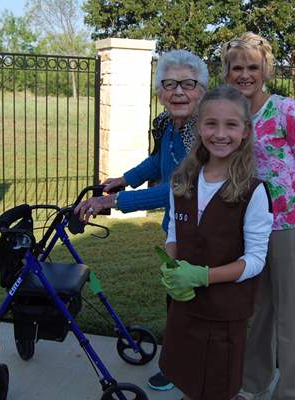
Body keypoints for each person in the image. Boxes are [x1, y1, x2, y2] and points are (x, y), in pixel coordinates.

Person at [74, 49, 208, 391]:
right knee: (175, 300)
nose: (178, 91)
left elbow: (179, 189)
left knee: (194, 305)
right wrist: (125, 178)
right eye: (169, 84)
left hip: (203, 233)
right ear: (159, 91)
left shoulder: (205, 132)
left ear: (202, 90)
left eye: (188, 84)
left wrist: (115, 200)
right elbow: (158, 161)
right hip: (175, 229)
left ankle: (192, 370)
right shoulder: (168, 124)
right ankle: (179, 364)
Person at [221, 32, 295, 400]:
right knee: (260, 310)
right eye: (237, 68)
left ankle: (294, 393)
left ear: (265, 69)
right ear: (227, 72)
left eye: (252, 67)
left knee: (292, 316)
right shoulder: (229, 114)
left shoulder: (286, 110)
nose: (245, 74)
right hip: (249, 228)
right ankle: (253, 384)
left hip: (287, 226)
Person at [159, 84, 273, 400]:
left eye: (231, 125)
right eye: (211, 123)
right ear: (199, 127)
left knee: (217, 388)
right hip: (184, 310)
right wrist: (171, 266)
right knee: (189, 380)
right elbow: (173, 235)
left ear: (246, 131)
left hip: (224, 315)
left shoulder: (253, 192)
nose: (220, 133)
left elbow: (255, 260)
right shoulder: (180, 181)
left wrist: (203, 276)